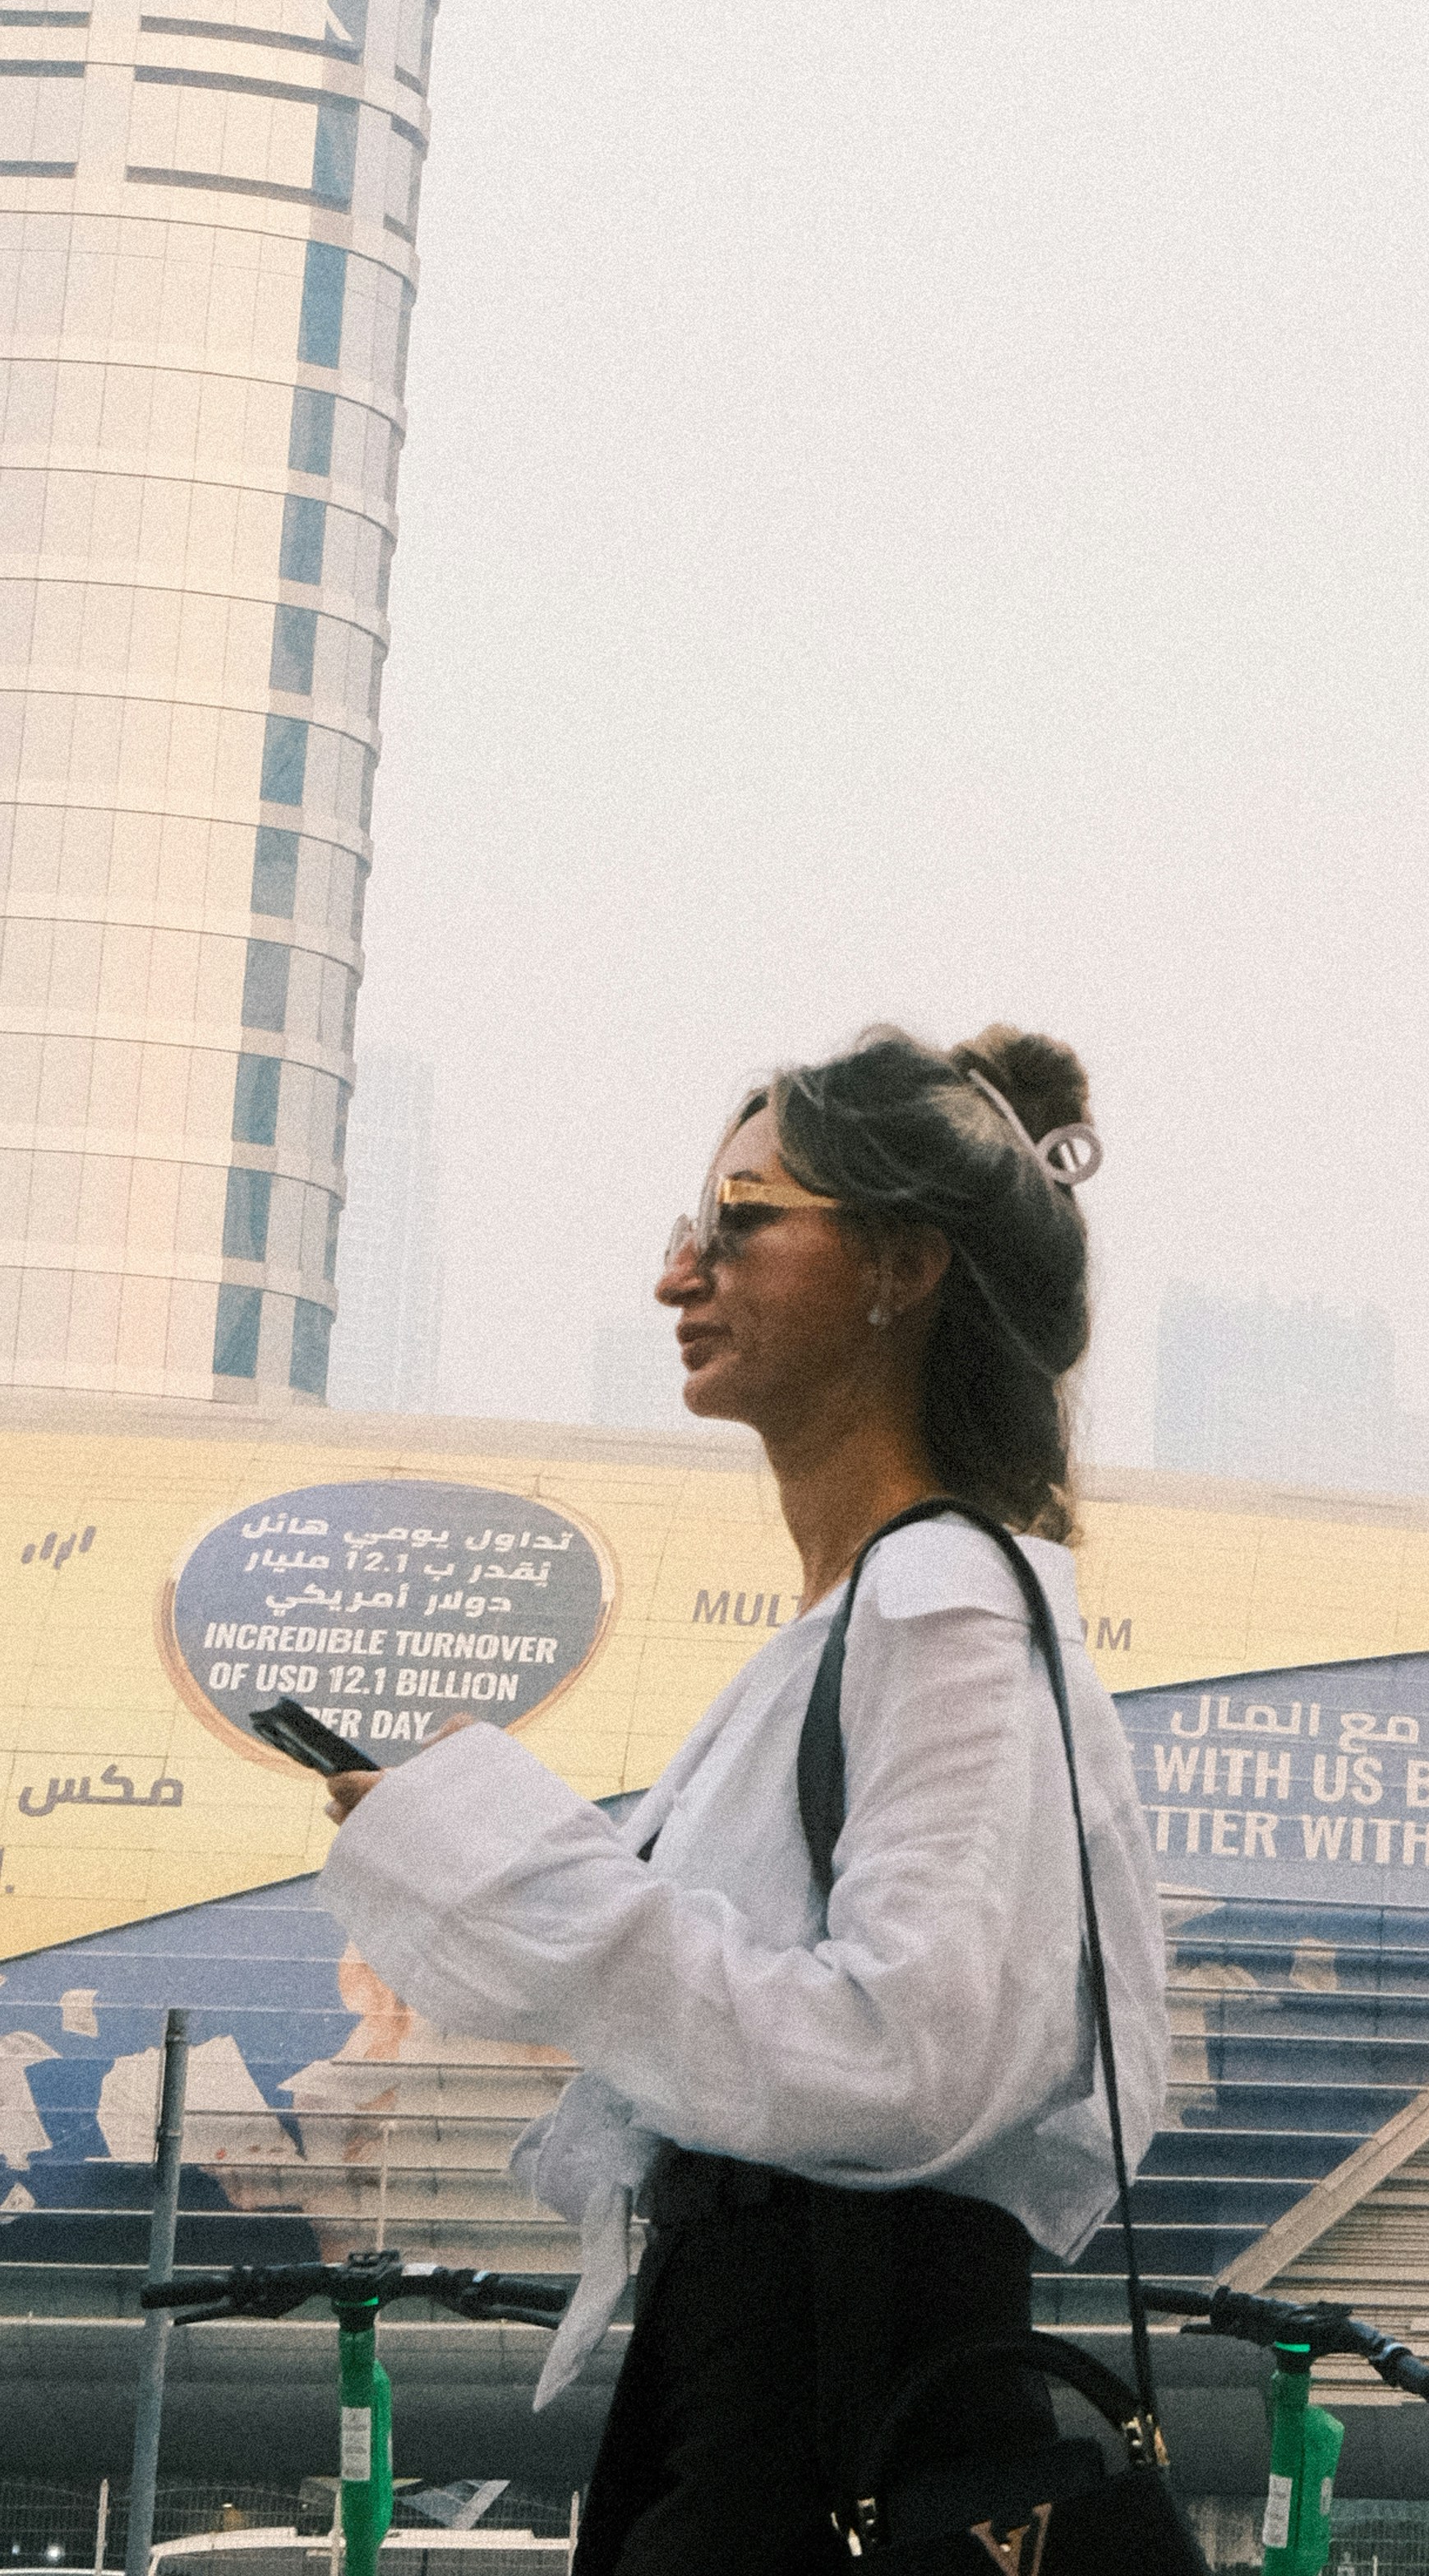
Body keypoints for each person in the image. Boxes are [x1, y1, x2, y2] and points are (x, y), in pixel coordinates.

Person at [313, 1019, 1170, 2576]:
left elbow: (906, 2060)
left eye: (741, 1223)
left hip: (833, 2392)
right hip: (761, 2375)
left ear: (902, 1268)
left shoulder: (947, 1611)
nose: (678, 1276)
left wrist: (513, 1861)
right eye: (689, 1230)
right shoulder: (855, 1628)